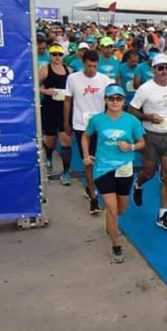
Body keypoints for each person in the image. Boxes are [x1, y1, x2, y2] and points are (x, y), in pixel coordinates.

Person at [84, 85, 145, 263]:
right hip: (103, 168)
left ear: (124, 101)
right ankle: (116, 245)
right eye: (111, 99)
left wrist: (130, 147)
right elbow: (85, 136)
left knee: (121, 209)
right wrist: (86, 155)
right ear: (105, 100)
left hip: (125, 168)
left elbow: (142, 142)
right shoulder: (97, 120)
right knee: (112, 208)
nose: (115, 102)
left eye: (118, 99)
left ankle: (110, 223)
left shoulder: (132, 121)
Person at [129, 53, 167, 230]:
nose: (165, 71)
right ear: (153, 70)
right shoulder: (145, 89)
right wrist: (148, 116)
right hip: (150, 136)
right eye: (161, 68)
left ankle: (163, 214)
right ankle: (139, 182)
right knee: (149, 172)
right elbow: (131, 109)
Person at [64, 50, 110, 214]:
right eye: (89, 66)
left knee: (100, 161)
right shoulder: (73, 79)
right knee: (88, 161)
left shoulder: (104, 80)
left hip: (100, 127)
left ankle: (94, 188)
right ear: (83, 63)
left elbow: (110, 104)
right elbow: (68, 101)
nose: (92, 70)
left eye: (95, 66)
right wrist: (66, 123)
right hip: (81, 126)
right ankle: (93, 198)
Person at [39, 45, 73, 184]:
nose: (57, 57)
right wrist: (46, 91)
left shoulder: (69, 70)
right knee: (50, 141)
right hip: (50, 108)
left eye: (59, 54)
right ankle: (48, 158)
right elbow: (34, 85)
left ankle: (66, 172)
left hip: (65, 109)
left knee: (66, 141)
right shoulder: (45, 69)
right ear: (50, 55)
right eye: (54, 54)